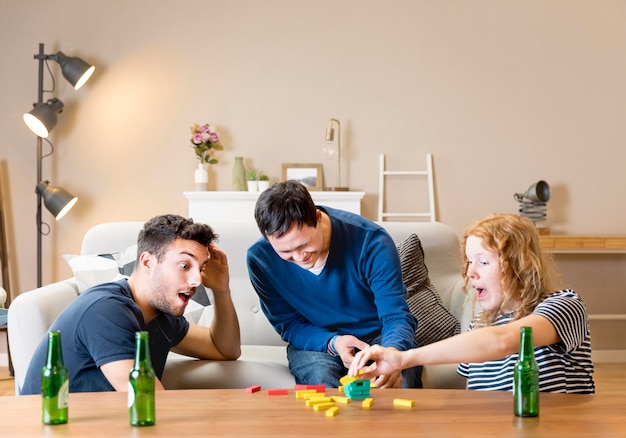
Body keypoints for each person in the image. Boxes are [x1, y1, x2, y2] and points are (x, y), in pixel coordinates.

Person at [349, 213, 595, 394]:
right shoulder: (478, 326)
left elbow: (502, 340)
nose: (470, 273)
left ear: (520, 266)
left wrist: (403, 358)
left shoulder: (564, 306)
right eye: (468, 262)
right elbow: (472, 397)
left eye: (483, 262)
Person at [22, 214, 241, 393]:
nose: (197, 280)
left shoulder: (161, 315)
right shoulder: (107, 309)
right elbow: (148, 400)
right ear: (147, 262)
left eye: (201, 268)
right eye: (184, 266)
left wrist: (222, 290)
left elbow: (223, 350)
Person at [246, 180, 421, 388]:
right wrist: (333, 343)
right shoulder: (261, 259)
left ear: (318, 218)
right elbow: (289, 325)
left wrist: (392, 353)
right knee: (323, 383)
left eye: (304, 245)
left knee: (397, 381)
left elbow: (396, 316)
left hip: (378, 336)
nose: (299, 257)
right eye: (285, 252)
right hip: (316, 343)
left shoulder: (371, 241)